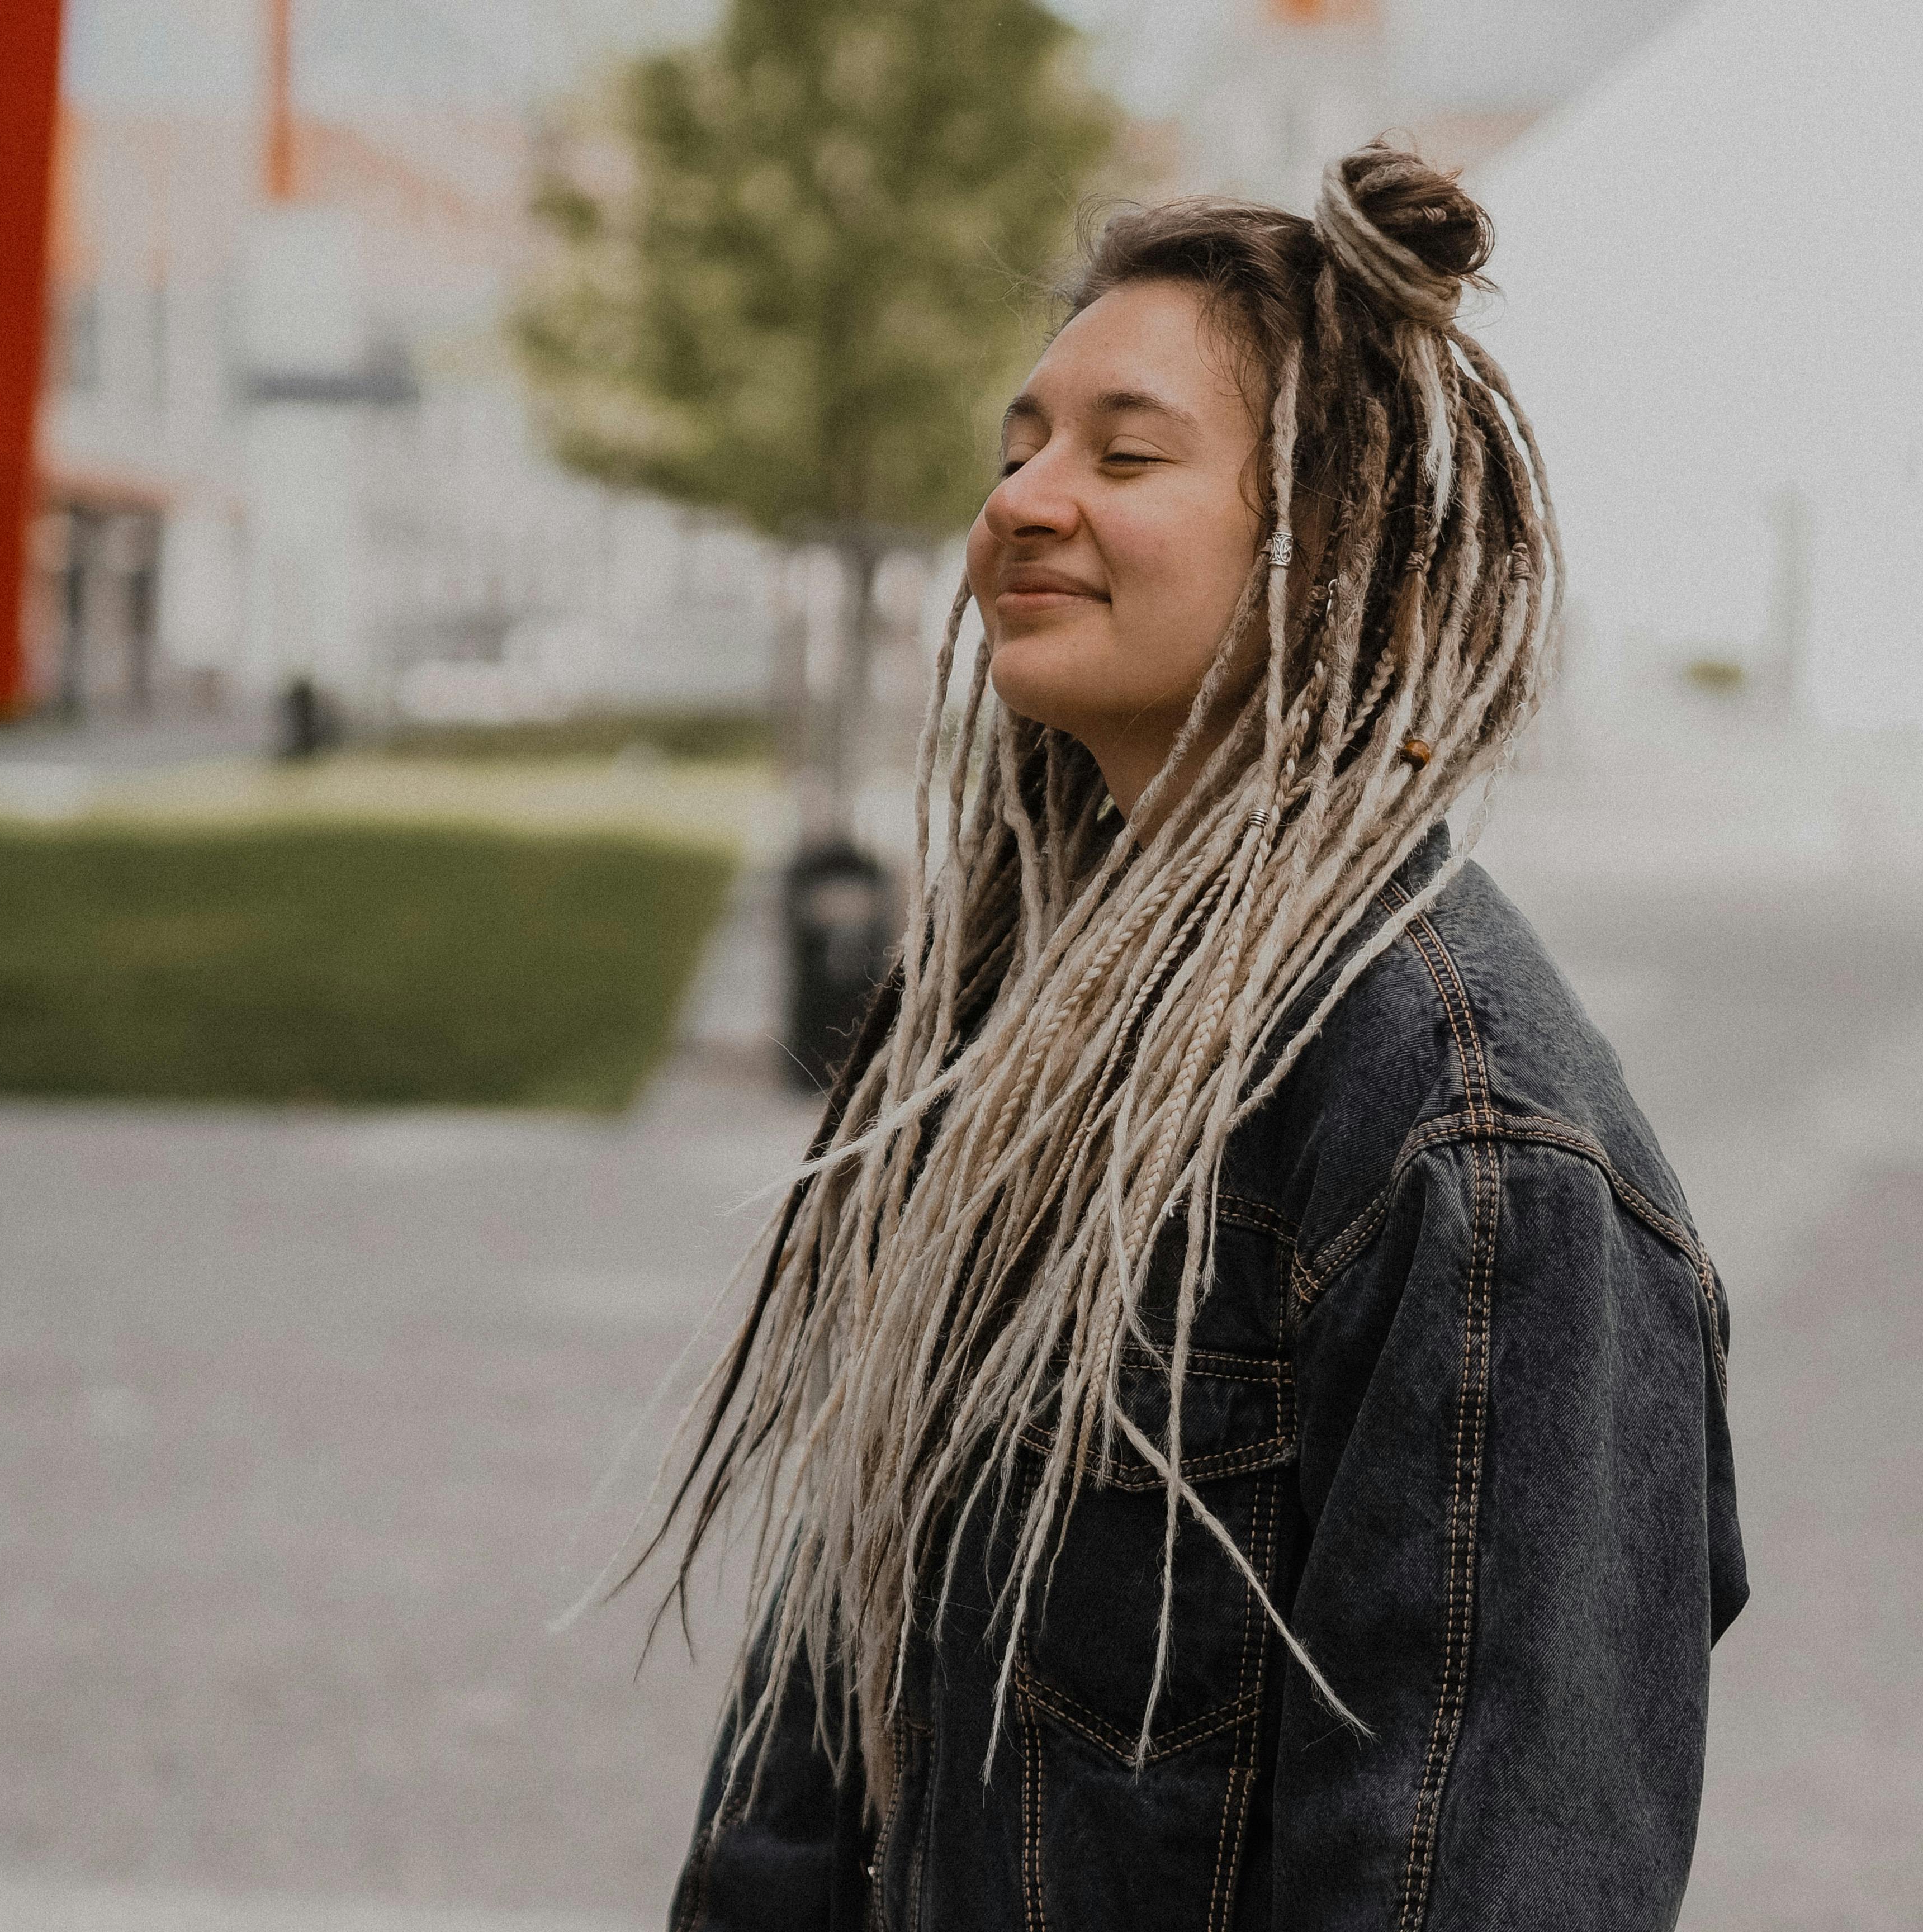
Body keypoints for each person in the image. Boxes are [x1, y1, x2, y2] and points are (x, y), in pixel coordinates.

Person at [648, 139, 1747, 1931]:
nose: (1023, 501)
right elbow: (831, 1735)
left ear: (1347, 559)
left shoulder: (1469, 1146)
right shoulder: (1027, 1021)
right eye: (1019, 447)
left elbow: (1474, 1877)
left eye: (1127, 453)